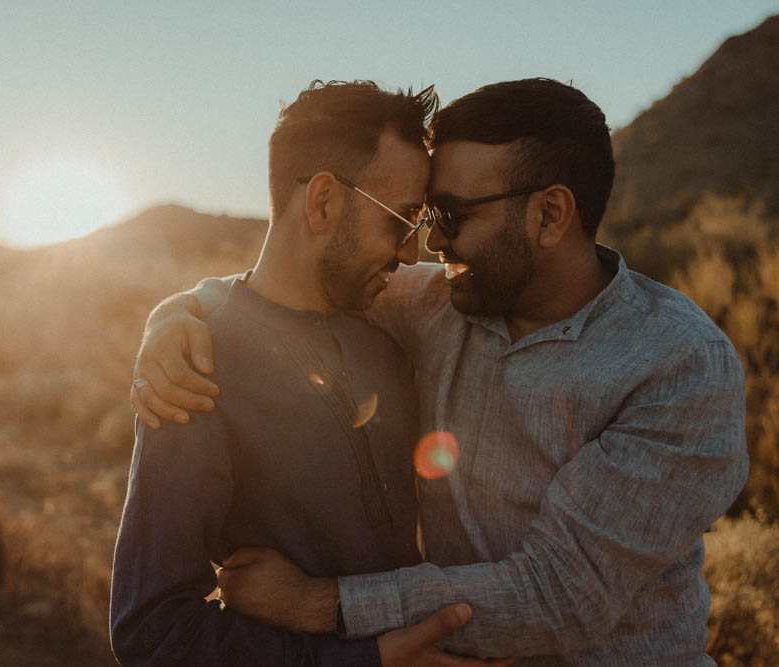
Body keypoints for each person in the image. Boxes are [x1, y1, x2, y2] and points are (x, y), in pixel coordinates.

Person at [130, 78, 749, 665]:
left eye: (449, 217)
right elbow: (285, 284)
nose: (427, 249)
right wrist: (176, 314)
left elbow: (560, 593)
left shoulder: (679, 363)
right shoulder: (438, 303)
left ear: (550, 216)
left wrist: (318, 606)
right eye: (419, 218)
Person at [110, 80, 511, 667]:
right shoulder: (198, 367)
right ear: (323, 202)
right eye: (399, 223)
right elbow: (153, 633)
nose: (410, 255)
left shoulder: (389, 336)